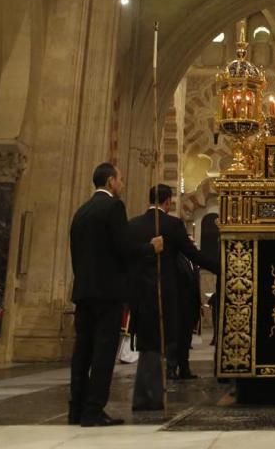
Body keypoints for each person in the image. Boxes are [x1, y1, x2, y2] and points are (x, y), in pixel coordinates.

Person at [68, 162, 162, 427]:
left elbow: (78, 253)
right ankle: (93, 410)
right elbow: (123, 248)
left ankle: (76, 409)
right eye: (120, 179)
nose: (122, 184)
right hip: (107, 293)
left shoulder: (82, 211)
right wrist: (149, 248)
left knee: (82, 352)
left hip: (84, 291)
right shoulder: (113, 207)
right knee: (103, 352)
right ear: (110, 181)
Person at [126, 184, 218, 411]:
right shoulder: (172, 225)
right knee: (158, 343)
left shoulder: (133, 225)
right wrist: (223, 267)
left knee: (146, 342)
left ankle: (145, 393)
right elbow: (194, 255)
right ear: (167, 202)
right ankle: (150, 394)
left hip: (139, 294)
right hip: (164, 294)